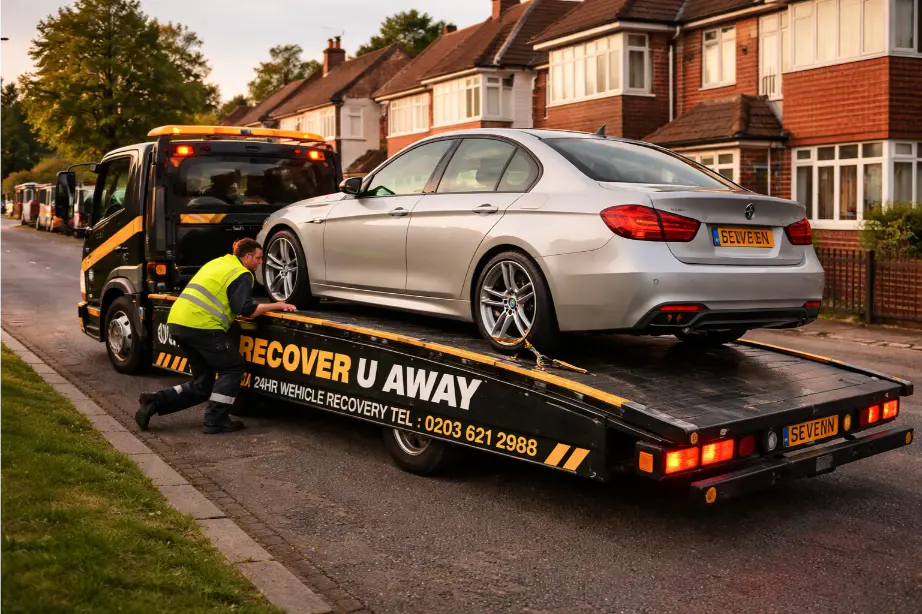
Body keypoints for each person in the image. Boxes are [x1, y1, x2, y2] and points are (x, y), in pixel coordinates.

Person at [135, 238, 296, 434]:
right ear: (246, 257)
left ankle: (154, 401)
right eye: (258, 258)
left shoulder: (219, 262)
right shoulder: (242, 274)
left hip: (178, 322)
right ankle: (215, 419)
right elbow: (245, 309)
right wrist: (277, 305)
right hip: (202, 326)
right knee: (232, 367)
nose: (261, 262)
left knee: (203, 384)